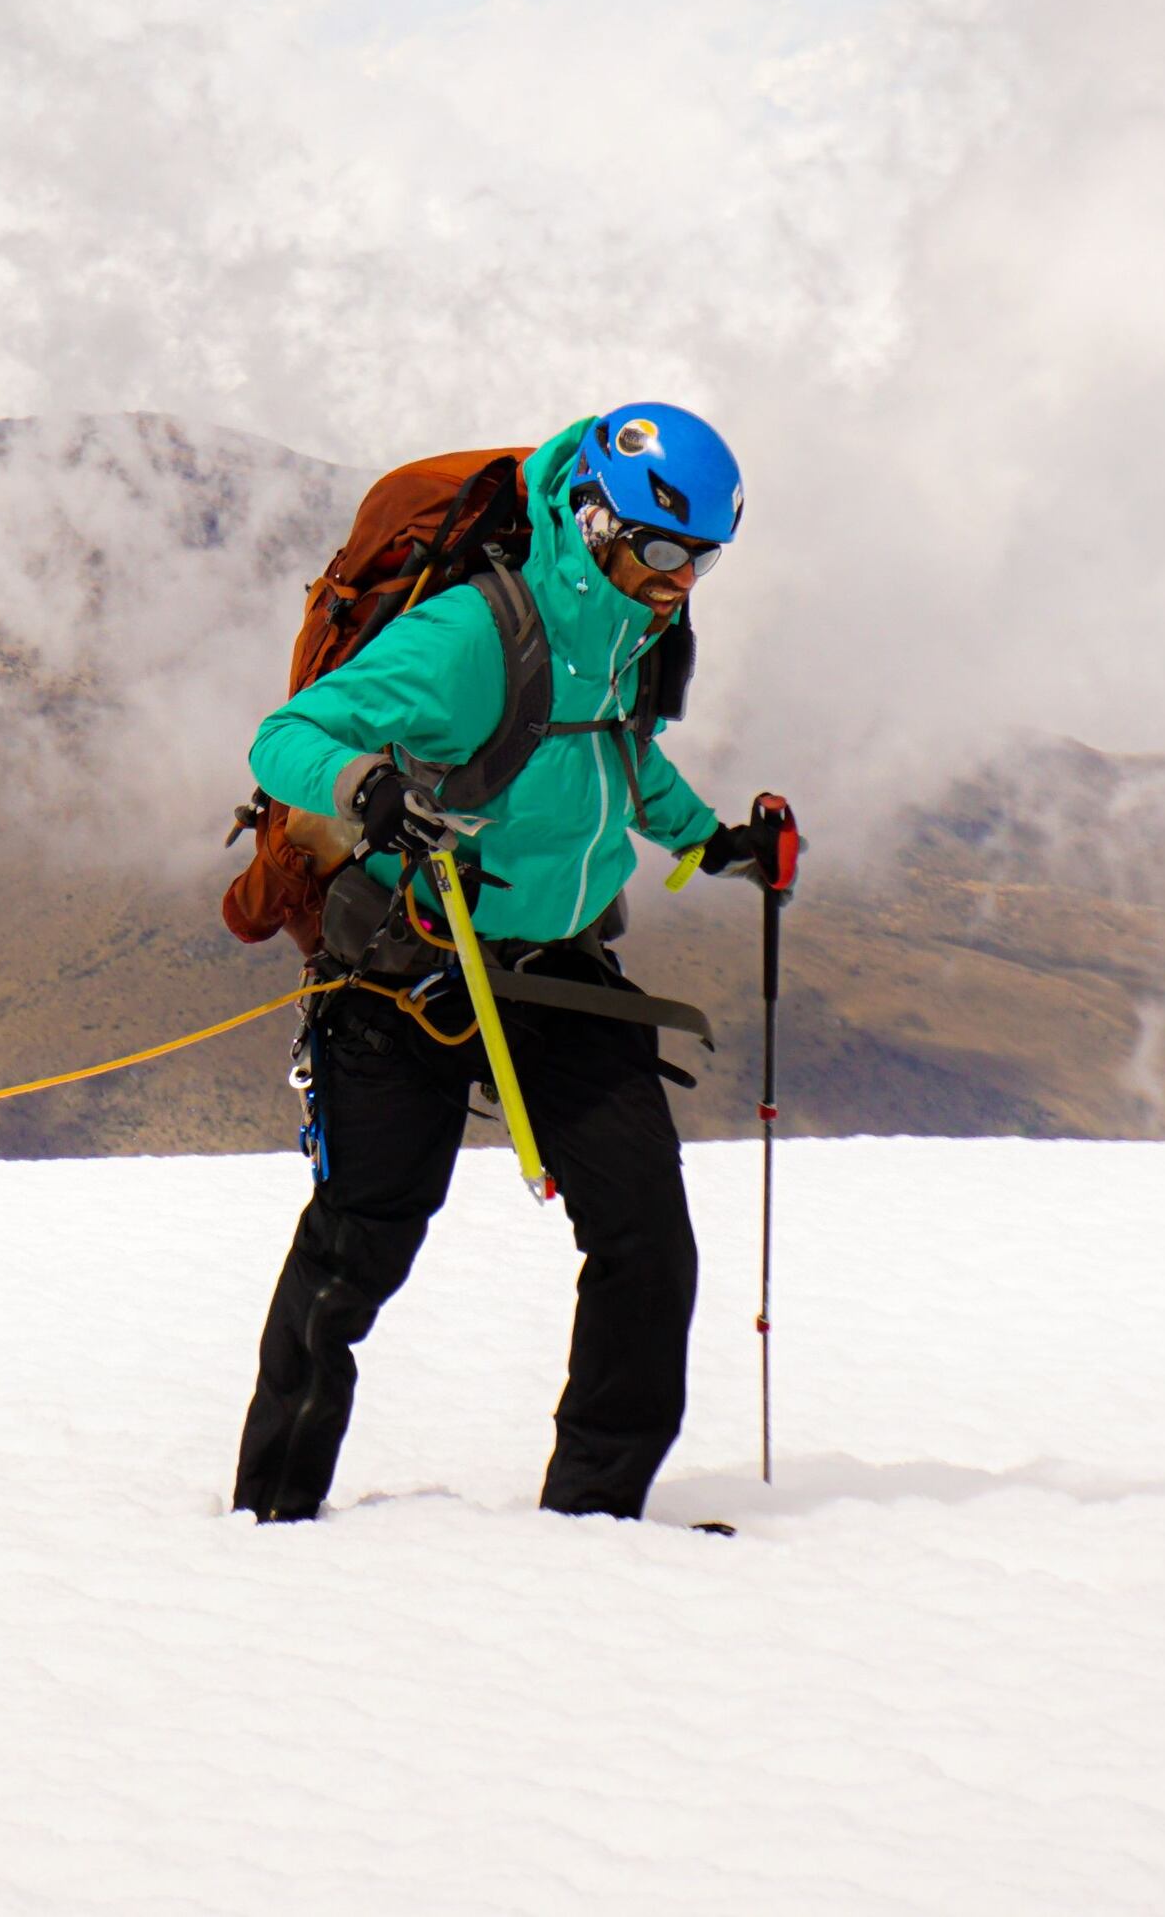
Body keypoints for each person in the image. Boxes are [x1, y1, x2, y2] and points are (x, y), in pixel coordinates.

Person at [228, 404, 798, 1522]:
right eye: (661, 548)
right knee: (361, 1239)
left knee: (645, 1231)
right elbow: (283, 737)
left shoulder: (630, 624)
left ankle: (591, 1522)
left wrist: (706, 842)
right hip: (408, 963)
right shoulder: (472, 635)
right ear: (591, 520)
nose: (680, 579)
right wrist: (366, 787)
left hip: (557, 962)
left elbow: (618, 755)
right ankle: (269, 1518)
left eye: (702, 557)